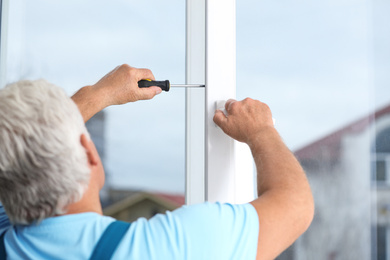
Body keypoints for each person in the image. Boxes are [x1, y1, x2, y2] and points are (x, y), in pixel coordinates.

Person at [0, 64, 314, 259]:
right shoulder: (165, 248)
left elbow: (19, 149)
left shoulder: (7, 240)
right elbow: (295, 205)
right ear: (88, 153)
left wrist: (95, 95)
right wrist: (261, 131)